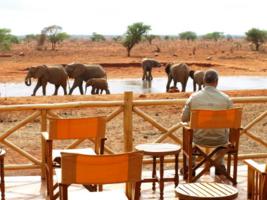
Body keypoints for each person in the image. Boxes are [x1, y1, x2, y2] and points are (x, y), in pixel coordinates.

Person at [181, 69, 233, 174]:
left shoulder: (194, 97)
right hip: (221, 140)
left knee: (187, 132)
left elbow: (184, 118)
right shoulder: (226, 98)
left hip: (199, 139)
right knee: (222, 134)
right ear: (217, 81)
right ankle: (219, 165)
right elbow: (231, 121)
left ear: (203, 81)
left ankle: (190, 165)